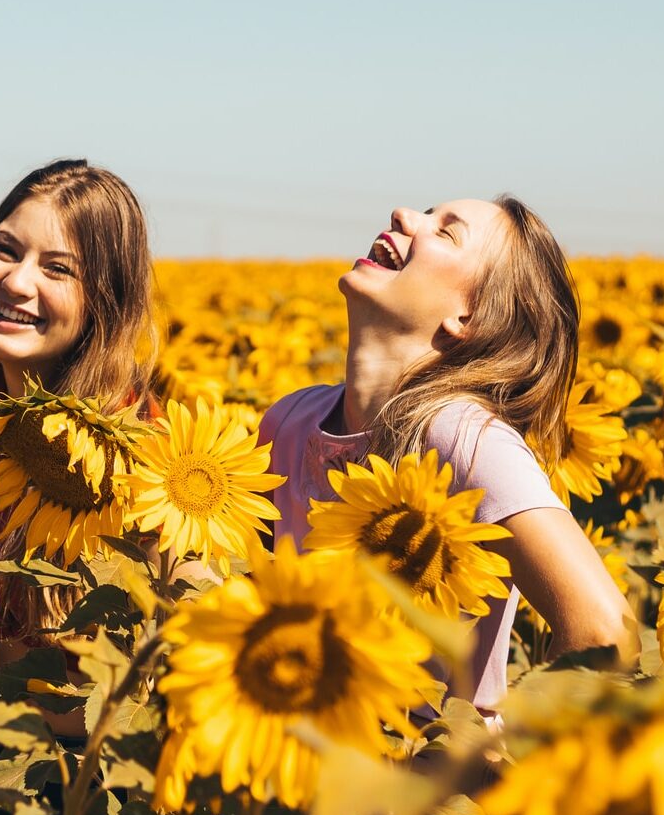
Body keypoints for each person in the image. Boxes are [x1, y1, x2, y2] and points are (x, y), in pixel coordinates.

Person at [259, 197, 636, 713]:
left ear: (468, 317)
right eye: (425, 212)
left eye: (445, 232)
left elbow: (603, 630)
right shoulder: (289, 421)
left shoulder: (462, 438)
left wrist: (489, 764)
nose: (403, 215)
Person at [0, 159, 156, 639]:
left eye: (58, 268)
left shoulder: (144, 443)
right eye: (4, 250)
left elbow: (149, 638)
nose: (16, 282)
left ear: (105, 300)